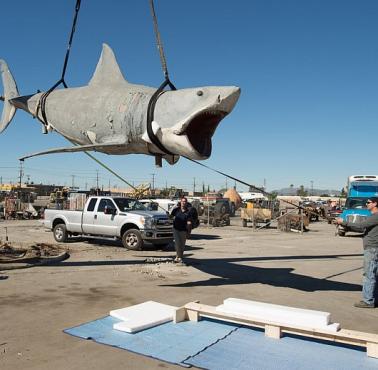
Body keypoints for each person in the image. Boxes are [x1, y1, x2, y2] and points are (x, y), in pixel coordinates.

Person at [336, 197, 378, 308]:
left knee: (369, 275)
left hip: (372, 249)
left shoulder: (375, 216)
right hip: (374, 248)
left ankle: (368, 300)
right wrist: (345, 225)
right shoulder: (373, 217)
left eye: (368, 202)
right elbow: (362, 229)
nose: (366, 204)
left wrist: (343, 221)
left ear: (375, 204)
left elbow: (360, 225)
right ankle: (374, 298)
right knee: (374, 274)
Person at [170, 197, 193, 264]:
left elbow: (189, 223)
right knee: (177, 244)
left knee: (182, 245)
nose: (183, 202)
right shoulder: (176, 210)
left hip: (183, 230)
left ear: (186, 203)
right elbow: (171, 217)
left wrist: (189, 232)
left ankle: (179, 257)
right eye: (182, 201)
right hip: (176, 229)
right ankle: (179, 257)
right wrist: (168, 215)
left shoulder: (188, 212)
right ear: (180, 202)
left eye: (185, 201)